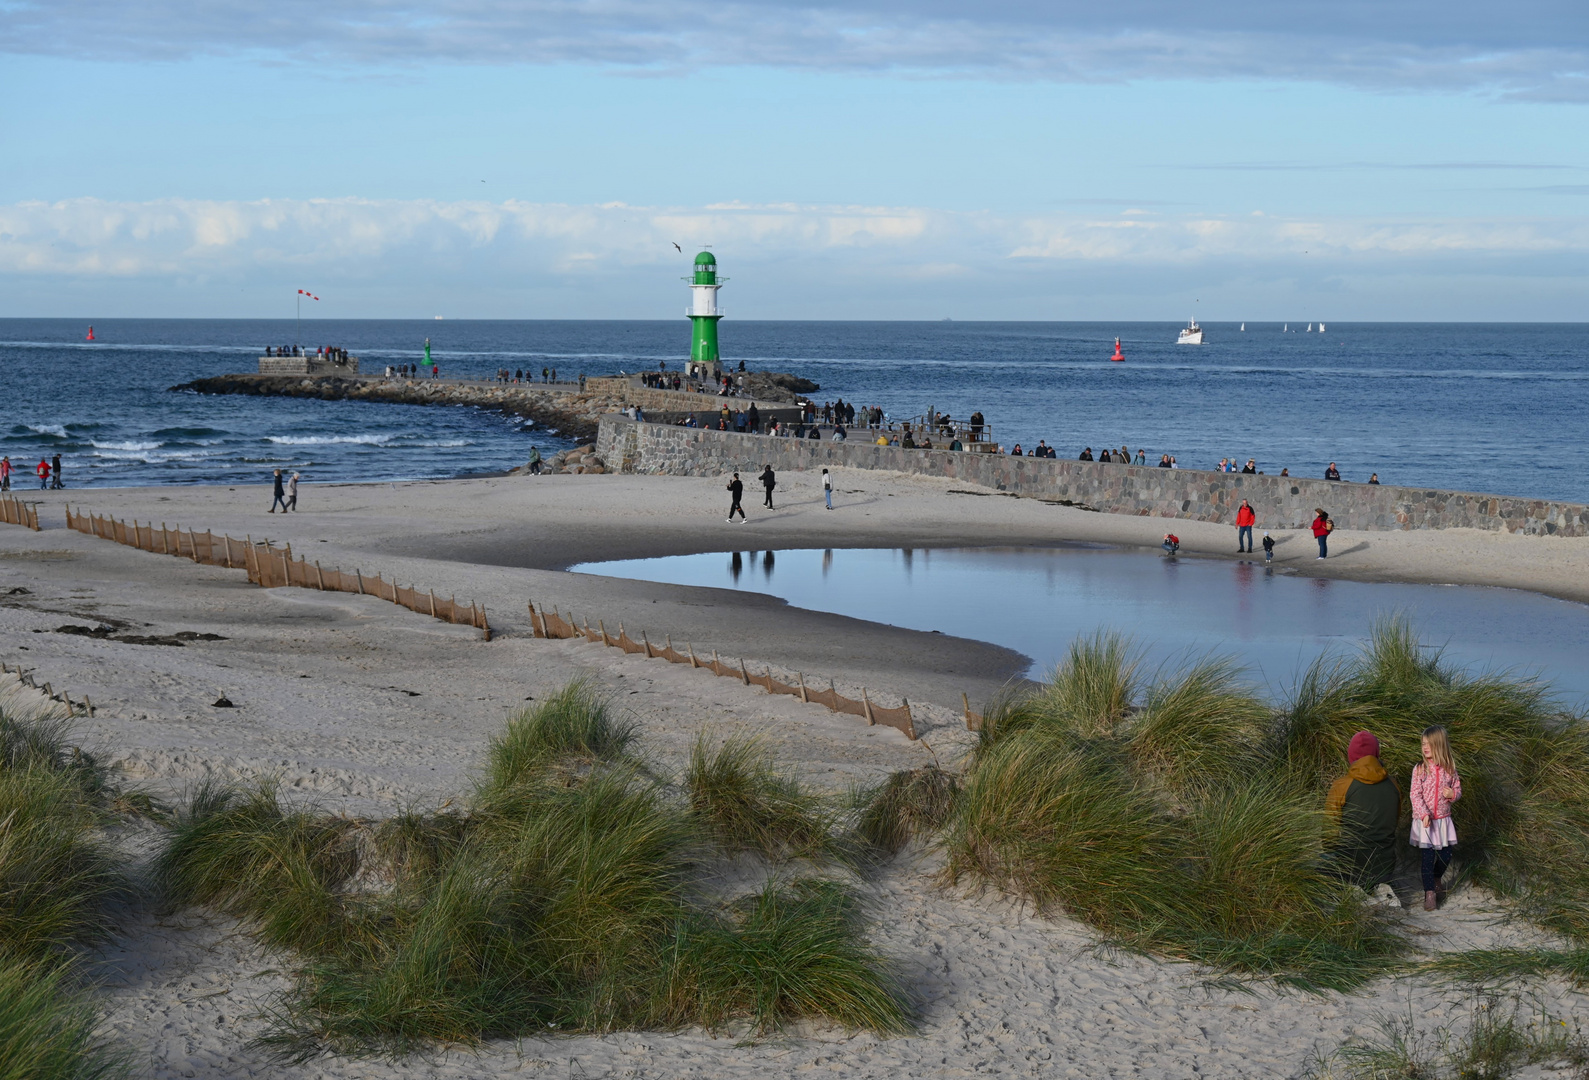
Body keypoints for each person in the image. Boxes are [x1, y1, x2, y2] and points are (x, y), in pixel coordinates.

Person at [1323, 730, 1401, 890]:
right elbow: (1394, 823)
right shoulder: (1394, 785)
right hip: (1384, 869)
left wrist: (1331, 850)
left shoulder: (1341, 785)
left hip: (1350, 869)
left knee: (1324, 858)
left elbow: (1329, 835)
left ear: (1351, 756)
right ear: (1376, 754)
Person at [1411, 725, 1462, 911]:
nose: (1425, 748)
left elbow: (1458, 790)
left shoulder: (1450, 769)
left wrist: (1452, 794)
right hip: (1425, 821)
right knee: (1427, 857)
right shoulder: (1420, 769)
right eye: (1423, 744)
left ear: (1439, 745)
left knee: (1446, 854)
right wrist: (1423, 813)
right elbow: (1414, 795)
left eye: (1429, 744)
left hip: (1443, 820)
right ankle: (1430, 893)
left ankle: (1436, 878)